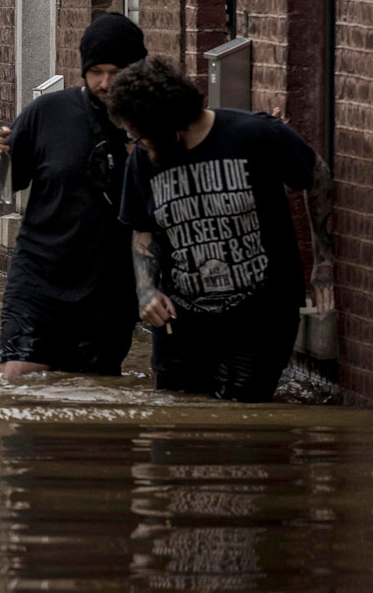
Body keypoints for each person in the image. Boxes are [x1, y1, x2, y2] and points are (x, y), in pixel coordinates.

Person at [110, 55, 334, 402]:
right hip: (180, 319)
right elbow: (144, 230)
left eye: (140, 136)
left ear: (169, 125)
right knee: (176, 428)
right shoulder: (143, 159)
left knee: (239, 428)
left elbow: (316, 177)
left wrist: (324, 264)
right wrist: (147, 291)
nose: (136, 144)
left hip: (260, 317)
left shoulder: (256, 136)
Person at [0, 13, 146, 380]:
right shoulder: (47, 113)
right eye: (96, 71)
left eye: (117, 71)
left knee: (93, 390)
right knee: (20, 374)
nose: (105, 82)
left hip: (110, 287)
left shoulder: (152, 126)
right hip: (39, 277)